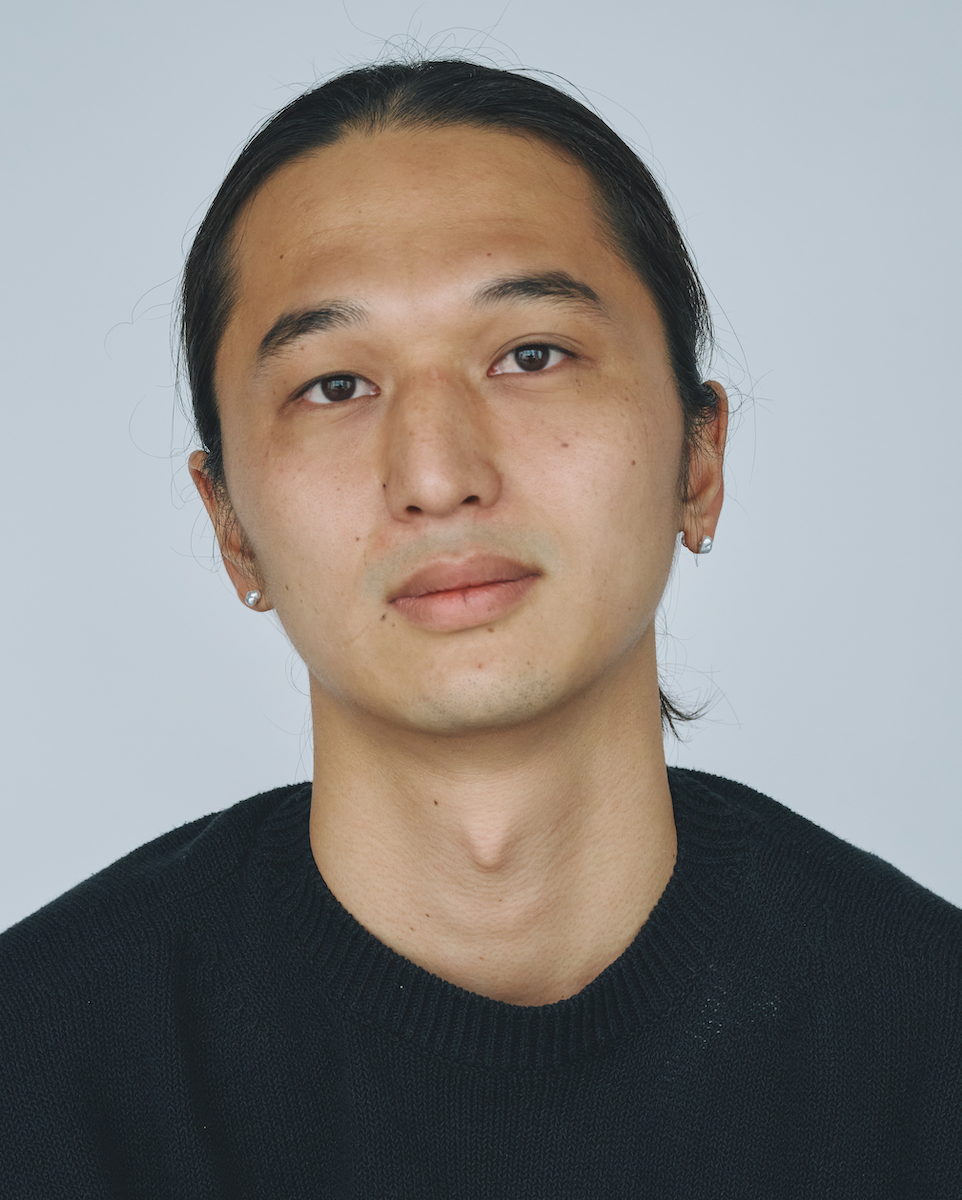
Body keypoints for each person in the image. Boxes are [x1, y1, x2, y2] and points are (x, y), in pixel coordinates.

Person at [1, 58, 960, 1197]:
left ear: (699, 458)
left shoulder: (926, 1045)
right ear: (232, 527)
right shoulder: (40, 1071)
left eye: (531, 355)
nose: (436, 476)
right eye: (334, 385)